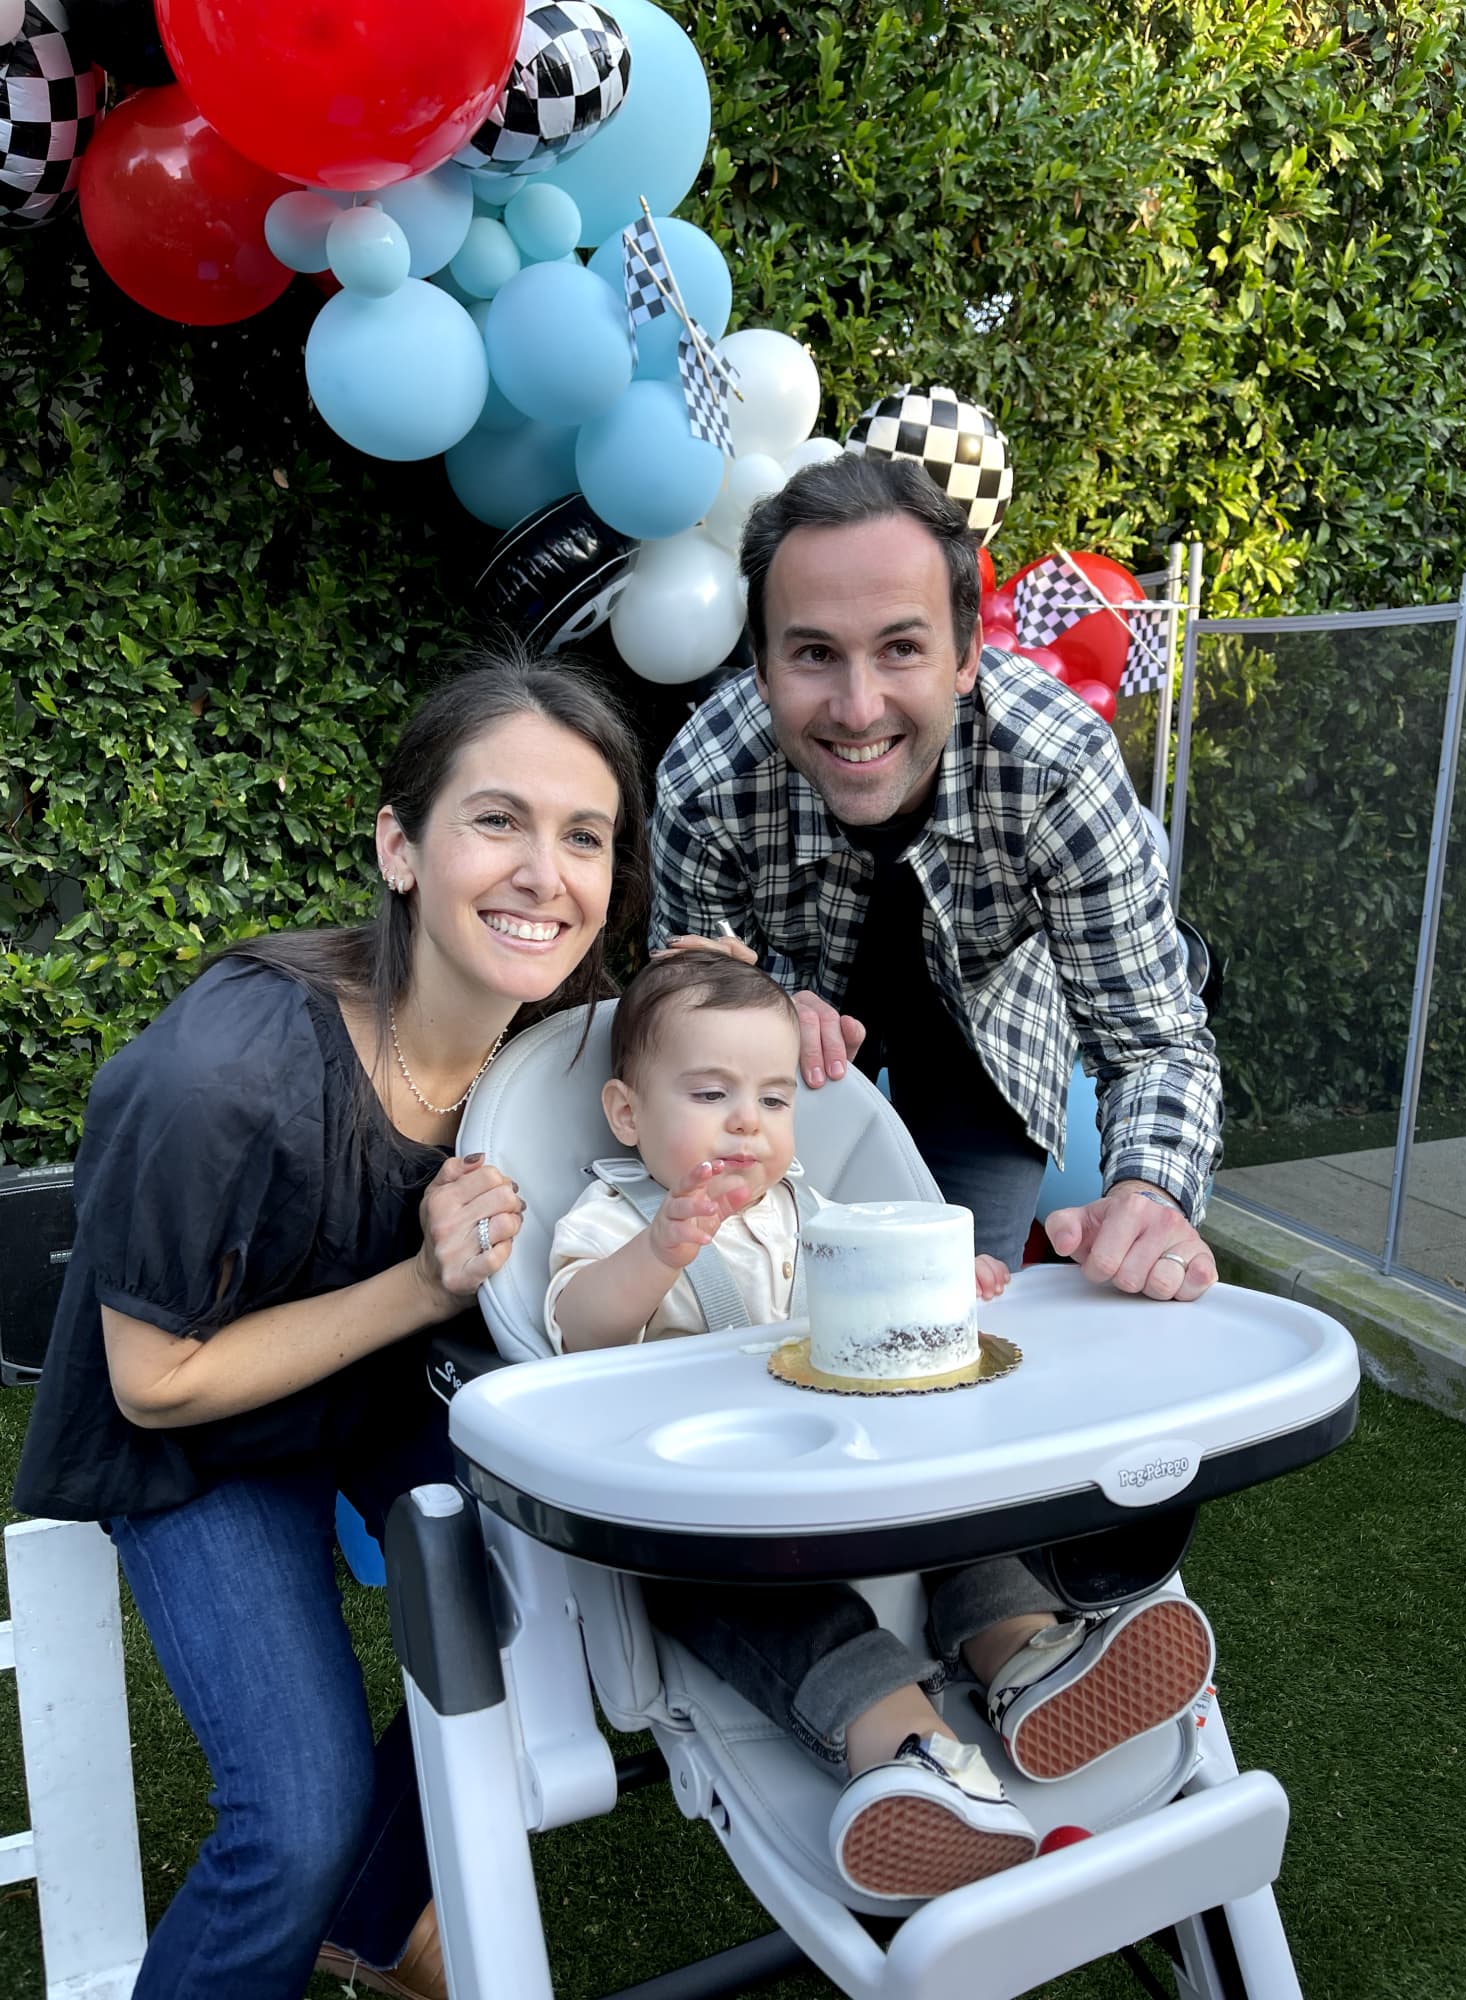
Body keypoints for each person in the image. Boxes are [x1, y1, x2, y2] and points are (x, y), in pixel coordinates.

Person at [12, 651, 648, 2000]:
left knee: (573, 1587)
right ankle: (324, 1896)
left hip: (385, 1394)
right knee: (291, 1825)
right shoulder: (218, 1079)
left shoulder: (563, 1044)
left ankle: (371, 1915)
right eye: (498, 820)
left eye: (582, 836)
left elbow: (716, 1075)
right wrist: (421, 1286)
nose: (545, 873)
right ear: (401, 848)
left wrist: (768, 1026)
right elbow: (153, 1385)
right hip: (201, 1443)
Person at [546, 951, 1215, 1903]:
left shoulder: (807, 1212)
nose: (747, 1121)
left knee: (966, 1536)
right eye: (710, 1093)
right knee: (791, 1619)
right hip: (723, 1530)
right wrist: (657, 1254)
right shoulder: (614, 1215)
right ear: (627, 1114)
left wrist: (949, 1288)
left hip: (860, 1486)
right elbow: (576, 1326)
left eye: (775, 1101)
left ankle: (1034, 1665)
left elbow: (872, 1316)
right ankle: (919, 1759)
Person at [649, 452, 1223, 1299]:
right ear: (761, 667)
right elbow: (675, 1021)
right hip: (790, 1046)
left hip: (989, 1034)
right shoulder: (703, 784)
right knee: (768, 1290)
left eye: (901, 648)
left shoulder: (1059, 764)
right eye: (813, 652)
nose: (858, 707)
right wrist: (752, 1012)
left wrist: (1148, 1193)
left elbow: (1154, 1041)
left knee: (955, 1305)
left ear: (966, 657)